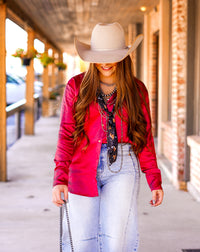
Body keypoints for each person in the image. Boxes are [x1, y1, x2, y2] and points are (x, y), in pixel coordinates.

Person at [52, 22, 164, 252]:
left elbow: (144, 136)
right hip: (82, 164)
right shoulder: (76, 86)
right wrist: (59, 177)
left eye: (112, 55)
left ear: (123, 56)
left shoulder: (137, 89)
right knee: (82, 241)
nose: (105, 62)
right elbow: (66, 133)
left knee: (116, 240)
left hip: (123, 164)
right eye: (99, 56)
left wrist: (154, 177)